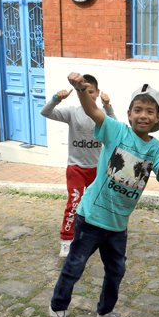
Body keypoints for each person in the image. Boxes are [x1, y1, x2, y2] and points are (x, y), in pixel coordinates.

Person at [48, 73, 159, 317]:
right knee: (74, 266)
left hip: (118, 224)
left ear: (158, 118)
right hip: (90, 218)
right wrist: (81, 89)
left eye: (150, 111)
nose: (143, 115)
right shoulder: (115, 130)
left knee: (116, 271)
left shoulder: (157, 148)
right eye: (138, 109)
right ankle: (57, 308)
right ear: (128, 113)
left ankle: (105, 312)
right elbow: (92, 109)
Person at [40, 74, 115, 257]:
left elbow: (116, 129)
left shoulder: (102, 115)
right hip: (75, 167)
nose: (88, 95)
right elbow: (45, 112)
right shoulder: (72, 112)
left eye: (91, 91)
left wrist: (108, 107)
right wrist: (56, 99)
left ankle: (94, 236)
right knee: (74, 202)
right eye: (84, 91)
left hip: (96, 169)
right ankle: (66, 240)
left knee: (96, 204)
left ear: (97, 93)